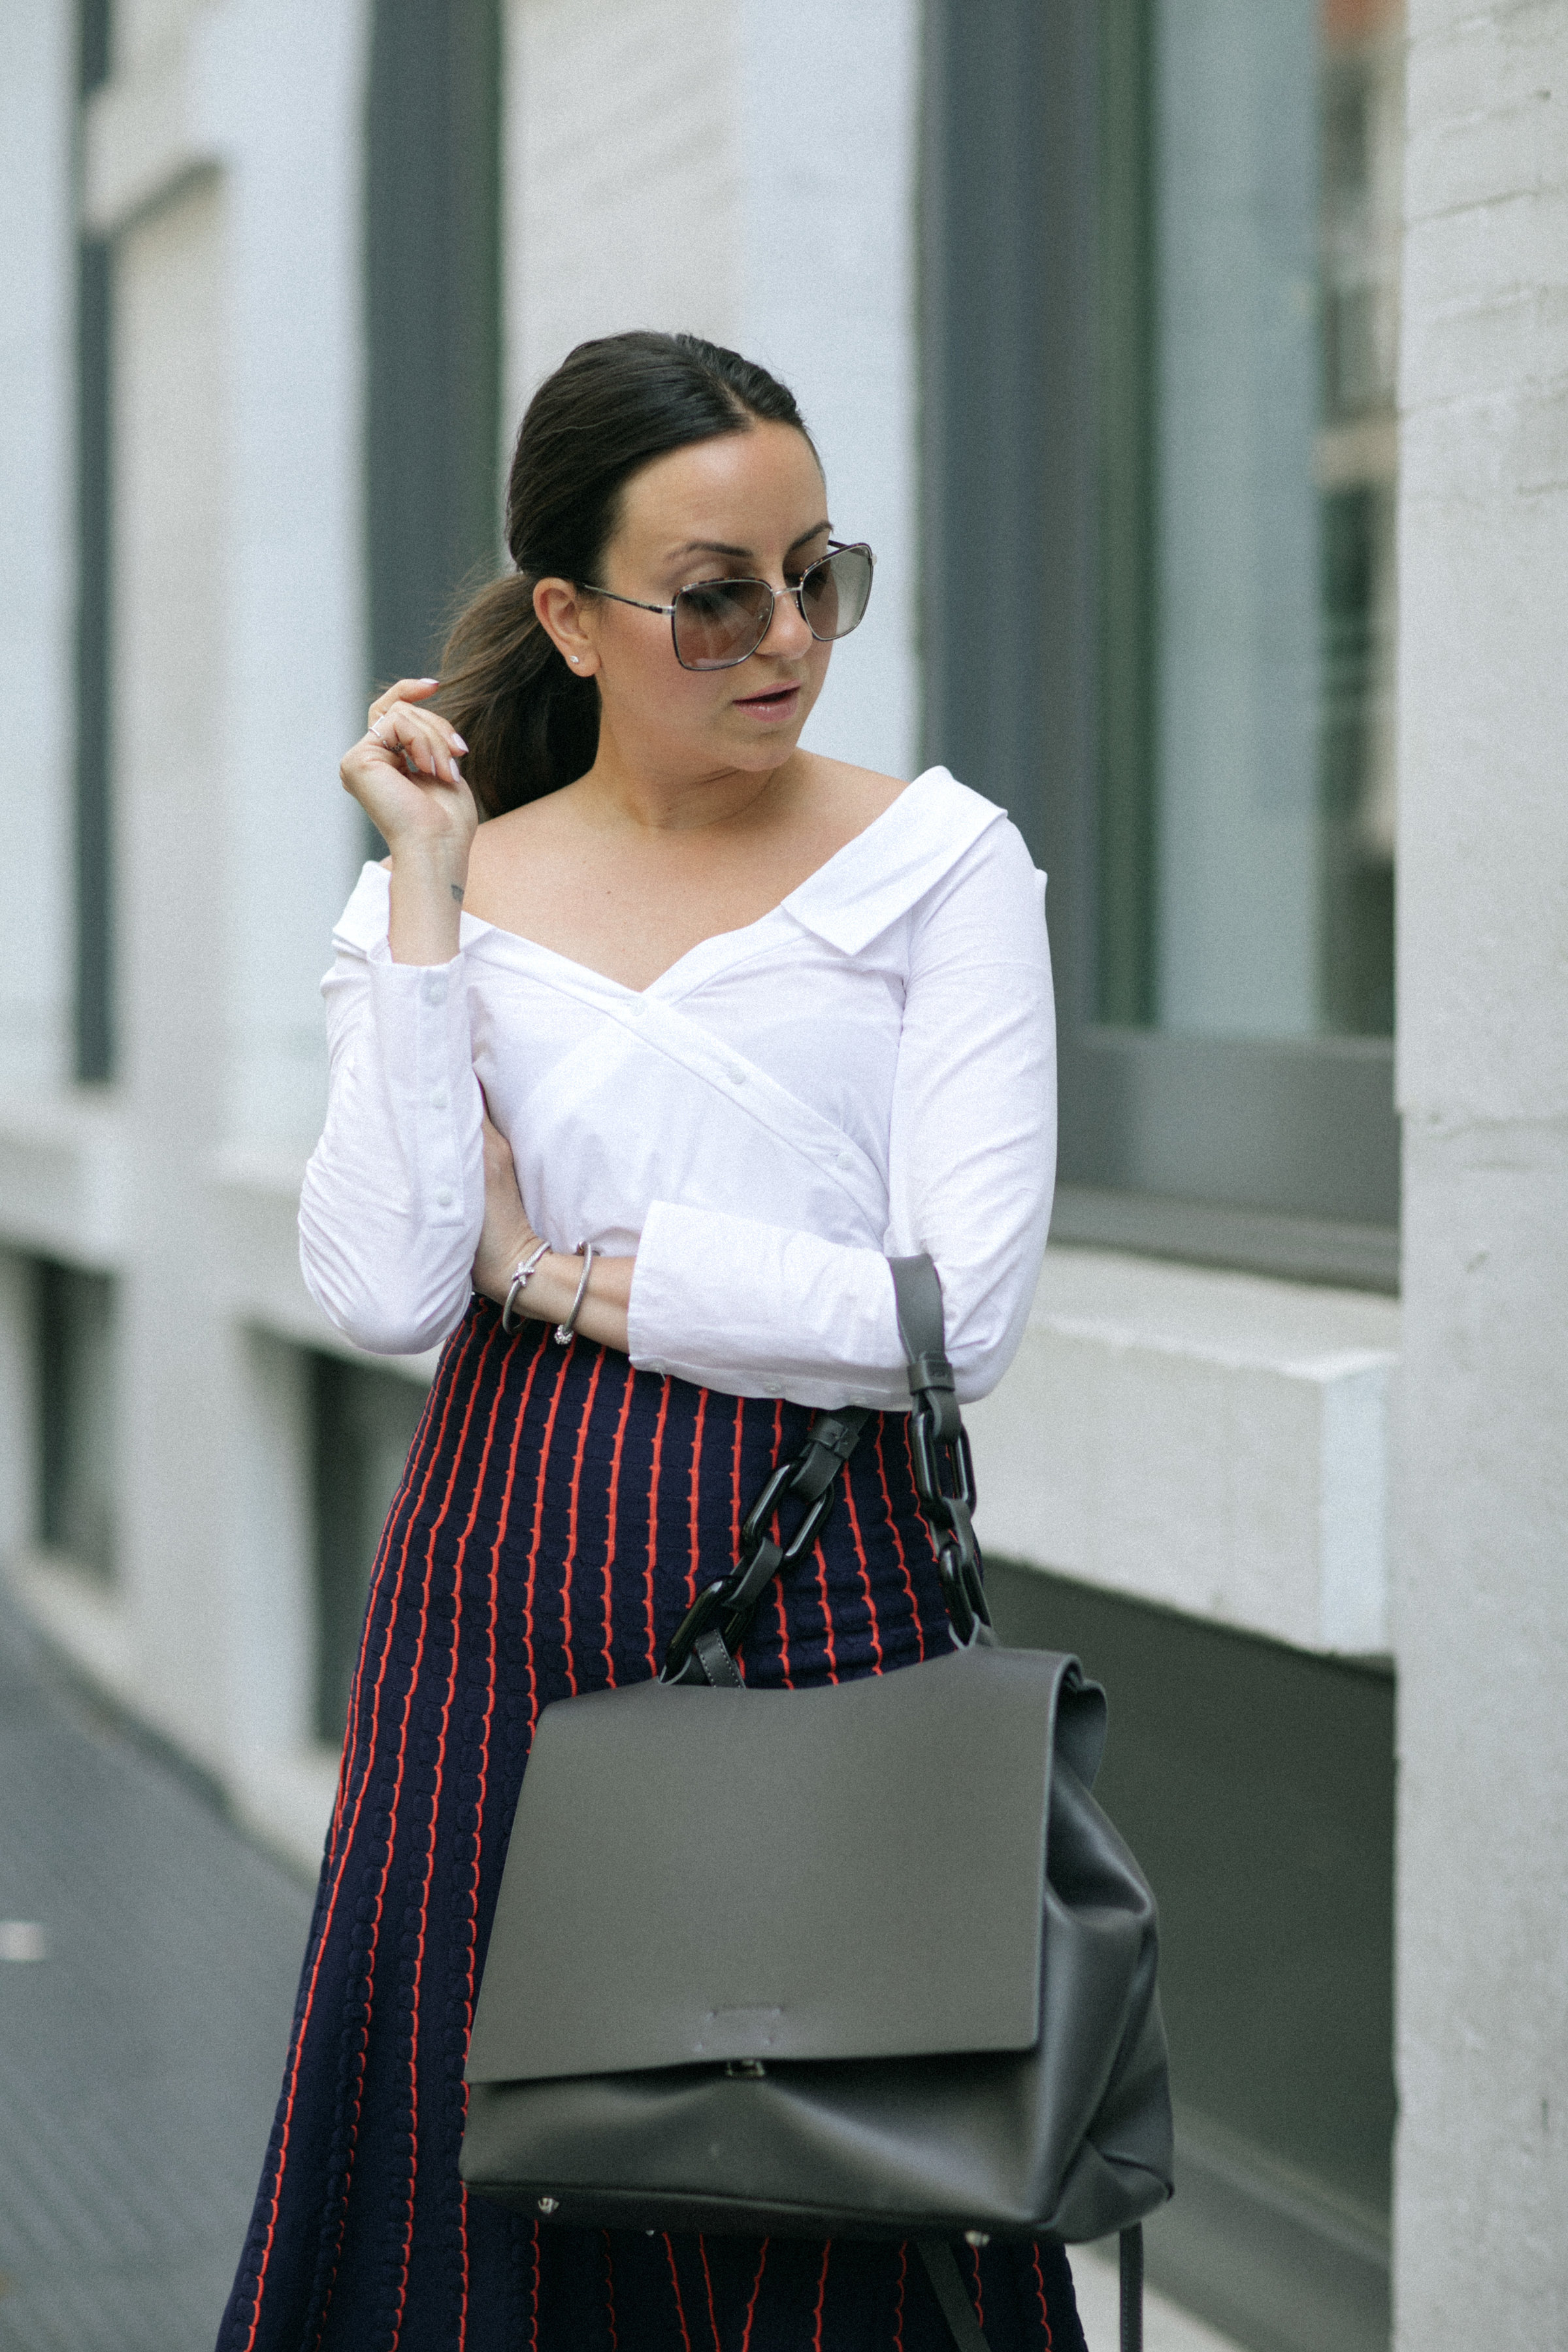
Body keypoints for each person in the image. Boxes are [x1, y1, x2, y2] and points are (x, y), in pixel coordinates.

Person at [219, 331, 1073, 2352]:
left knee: (830, 2173)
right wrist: (427, 888)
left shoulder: (939, 868)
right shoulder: (446, 899)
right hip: (490, 1611)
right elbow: (386, 1282)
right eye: (714, 596)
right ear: (569, 620)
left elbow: (953, 1314)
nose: (785, 636)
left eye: (818, 575)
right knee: (463, 2201)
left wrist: (575, 1277)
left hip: (819, 1599)